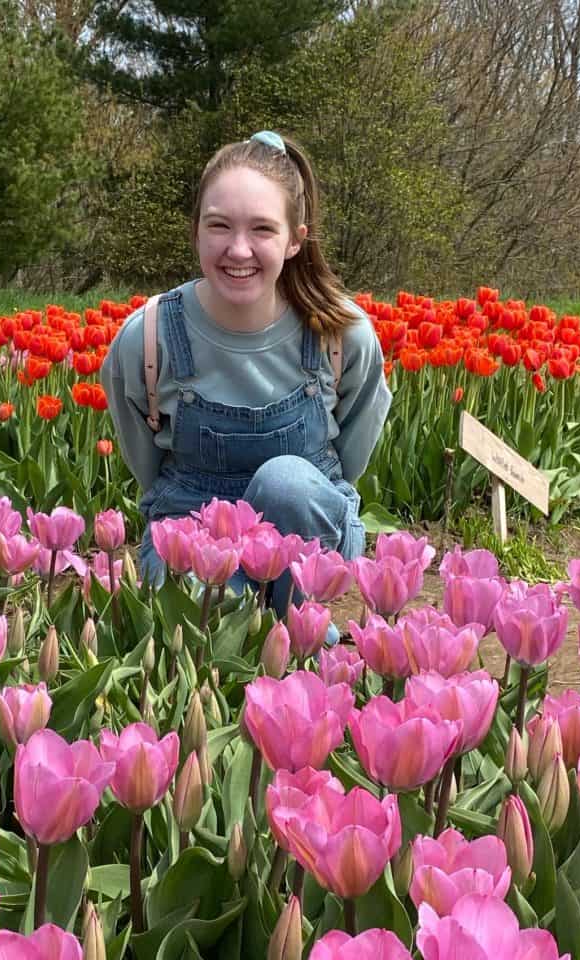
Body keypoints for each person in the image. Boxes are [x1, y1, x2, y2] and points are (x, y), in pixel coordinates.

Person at [101, 131, 391, 614]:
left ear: (295, 241)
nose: (238, 250)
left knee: (289, 485)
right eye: (219, 226)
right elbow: (147, 470)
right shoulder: (149, 338)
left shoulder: (341, 335)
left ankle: (300, 633)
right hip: (192, 527)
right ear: (195, 229)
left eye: (262, 229)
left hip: (304, 526)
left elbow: (349, 460)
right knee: (209, 617)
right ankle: (265, 637)